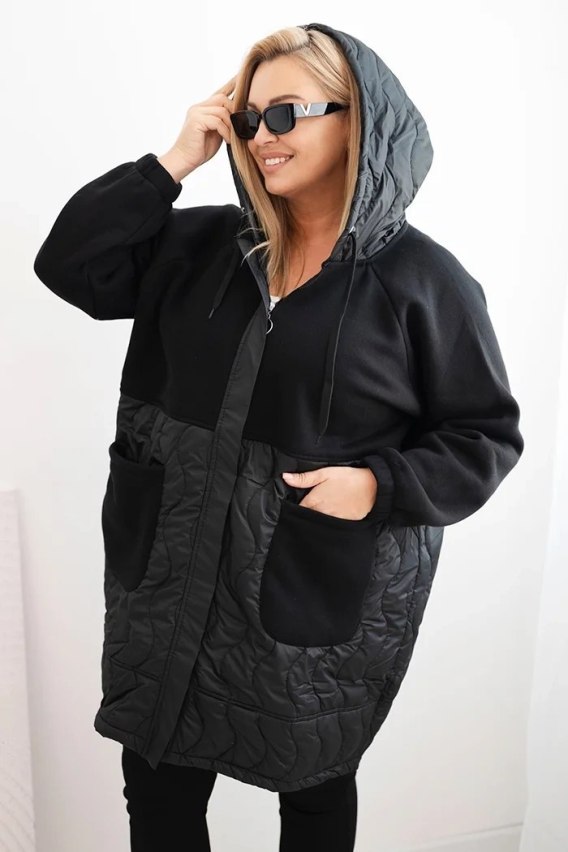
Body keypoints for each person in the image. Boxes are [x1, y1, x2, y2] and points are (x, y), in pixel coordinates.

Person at [33, 22, 525, 852]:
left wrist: (378, 486)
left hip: (304, 584)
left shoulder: (423, 283)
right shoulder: (199, 247)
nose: (263, 135)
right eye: (249, 117)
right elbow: (69, 266)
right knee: (155, 780)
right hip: (172, 575)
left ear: (358, 119)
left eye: (288, 113)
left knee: (314, 790)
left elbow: (484, 435)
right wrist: (173, 163)